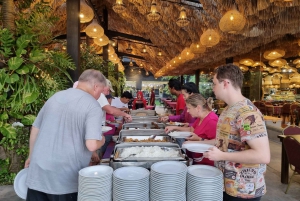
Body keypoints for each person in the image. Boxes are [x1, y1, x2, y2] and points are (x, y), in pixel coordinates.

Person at [24, 69, 106, 201]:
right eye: (101, 91)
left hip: (38, 170)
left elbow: (35, 128)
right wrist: (101, 140)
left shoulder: (55, 97)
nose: (100, 96)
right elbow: (91, 145)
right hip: (64, 176)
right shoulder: (93, 105)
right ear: (96, 86)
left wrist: (30, 156)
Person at [203, 64, 270, 200]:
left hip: (243, 191)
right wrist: (202, 142)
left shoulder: (247, 113)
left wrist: (221, 156)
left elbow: (262, 155)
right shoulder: (228, 109)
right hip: (226, 185)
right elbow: (226, 141)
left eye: (215, 83)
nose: (212, 88)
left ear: (226, 83)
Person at [166, 93, 218, 165]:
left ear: (198, 108)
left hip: (205, 162)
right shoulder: (200, 118)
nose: (187, 111)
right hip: (196, 159)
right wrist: (174, 128)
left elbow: (216, 142)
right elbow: (191, 129)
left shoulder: (212, 120)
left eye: (189, 108)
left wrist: (198, 140)